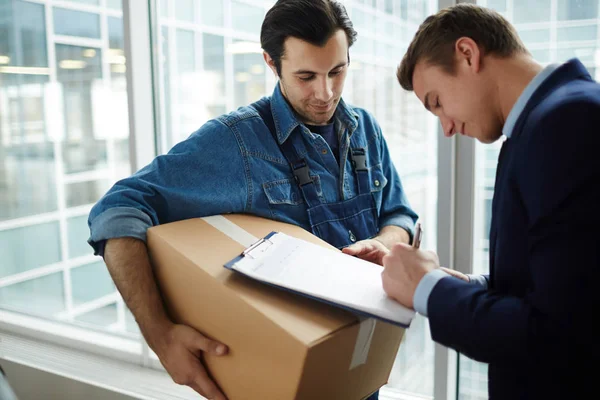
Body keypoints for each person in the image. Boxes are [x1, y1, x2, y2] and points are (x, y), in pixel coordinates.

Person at [87, 0, 418, 398]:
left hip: (360, 373)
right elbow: (117, 209)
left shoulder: (366, 129)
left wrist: (383, 243)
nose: (325, 93)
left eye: (337, 71)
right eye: (306, 76)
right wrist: (160, 337)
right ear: (271, 62)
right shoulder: (237, 141)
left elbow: (400, 215)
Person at [380, 3, 599, 399]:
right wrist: (472, 286)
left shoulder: (568, 122)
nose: (446, 128)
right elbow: (566, 284)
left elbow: (561, 334)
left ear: (467, 54)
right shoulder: (537, 127)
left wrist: (426, 288)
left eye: (437, 102)